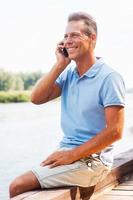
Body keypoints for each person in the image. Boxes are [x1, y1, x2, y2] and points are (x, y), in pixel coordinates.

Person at [9, 12, 125, 198]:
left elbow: (115, 131)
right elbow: (36, 98)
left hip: (94, 160)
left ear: (92, 38)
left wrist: (71, 156)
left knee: (17, 186)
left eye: (75, 35)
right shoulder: (68, 75)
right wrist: (60, 65)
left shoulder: (109, 78)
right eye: (65, 36)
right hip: (69, 152)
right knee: (31, 190)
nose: (67, 41)